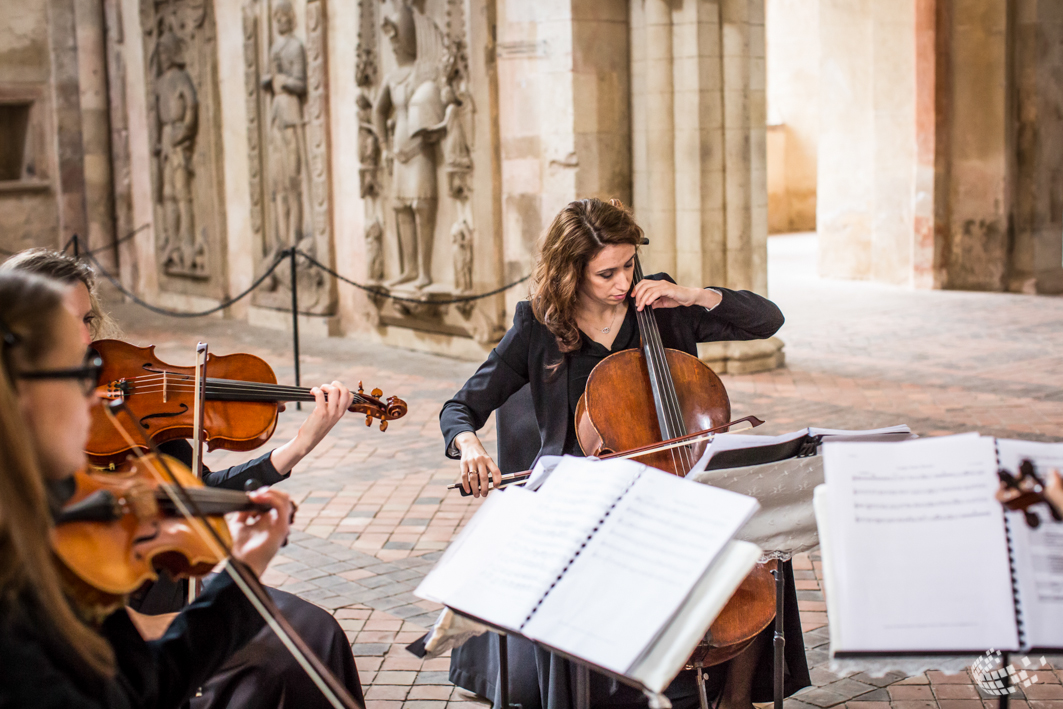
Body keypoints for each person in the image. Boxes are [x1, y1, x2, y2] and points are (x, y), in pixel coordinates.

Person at [439, 198, 808, 709]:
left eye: (629, 265)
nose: (623, 282)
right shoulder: (538, 327)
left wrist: (693, 295)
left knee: (759, 543)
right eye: (605, 273)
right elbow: (460, 407)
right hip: (585, 492)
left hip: (676, 478)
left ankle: (735, 698)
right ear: (570, 272)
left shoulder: (661, 307)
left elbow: (768, 320)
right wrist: (468, 445)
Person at [0, 248, 364, 709]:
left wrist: (245, 564)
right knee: (285, 653)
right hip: (141, 592)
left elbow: (143, 685)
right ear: (21, 394)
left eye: (88, 319)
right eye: (75, 378)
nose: (96, 400)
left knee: (316, 633)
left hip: (152, 584)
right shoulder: (29, 579)